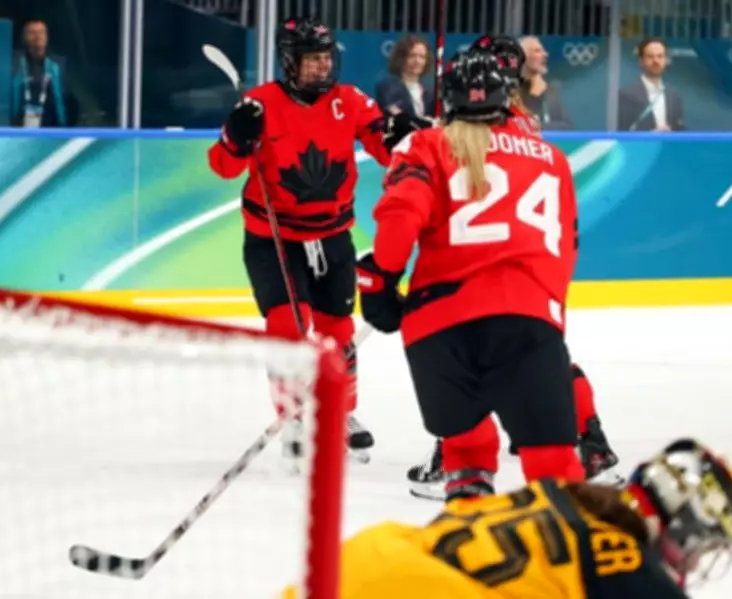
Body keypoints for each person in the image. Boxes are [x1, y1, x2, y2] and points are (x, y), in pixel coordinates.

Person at [356, 50, 585, 500]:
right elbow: (566, 246)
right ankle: (567, 552)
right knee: (553, 463)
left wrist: (379, 282)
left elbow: (400, 218)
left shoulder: (426, 145)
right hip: (525, 319)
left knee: (466, 446)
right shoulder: (552, 158)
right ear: (508, 99)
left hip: (436, 330)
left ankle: (471, 544)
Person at [404, 36, 621, 501]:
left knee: (481, 359)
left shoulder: (505, 127)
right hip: (531, 271)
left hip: (485, 265)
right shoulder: (521, 122)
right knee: (545, 356)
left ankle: (465, 453)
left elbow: (454, 172)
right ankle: (592, 446)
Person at [207, 17, 428, 463]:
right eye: (312, 60)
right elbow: (224, 166)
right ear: (290, 62)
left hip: (332, 236)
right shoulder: (260, 104)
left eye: (326, 59)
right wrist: (235, 136)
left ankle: (340, 412)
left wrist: (404, 135)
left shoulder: (349, 100)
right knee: (289, 328)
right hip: (274, 238)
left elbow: (385, 146)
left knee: (337, 331)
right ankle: (290, 416)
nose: (321, 68)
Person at [279, 438, 732, 598]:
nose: (690, 561)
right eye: (698, 545)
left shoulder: (563, 496)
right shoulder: (624, 563)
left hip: (347, 567)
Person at [618, 37, 685, 132]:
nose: (656, 61)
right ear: (641, 61)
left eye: (660, 56)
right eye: (650, 56)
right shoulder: (626, 96)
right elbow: (621, 134)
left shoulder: (674, 96)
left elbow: (679, 130)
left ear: (666, 60)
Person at [11, 19, 67, 128]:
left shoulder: (58, 65)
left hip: (51, 129)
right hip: (18, 128)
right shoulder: (15, 63)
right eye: (32, 33)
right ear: (24, 38)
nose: (38, 37)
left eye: (41, 32)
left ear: (47, 37)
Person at [518, 36, 573, 130]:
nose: (545, 54)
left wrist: (540, 126)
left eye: (543, 51)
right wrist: (534, 94)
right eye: (537, 51)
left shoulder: (550, 90)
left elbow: (567, 126)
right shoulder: (511, 90)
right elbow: (514, 124)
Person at [374, 34, 435, 118]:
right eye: (412, 55)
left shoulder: (430, 93)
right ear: (401, 58)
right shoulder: (387, 87)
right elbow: (398, 118)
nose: (417, 61)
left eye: (422, 57)